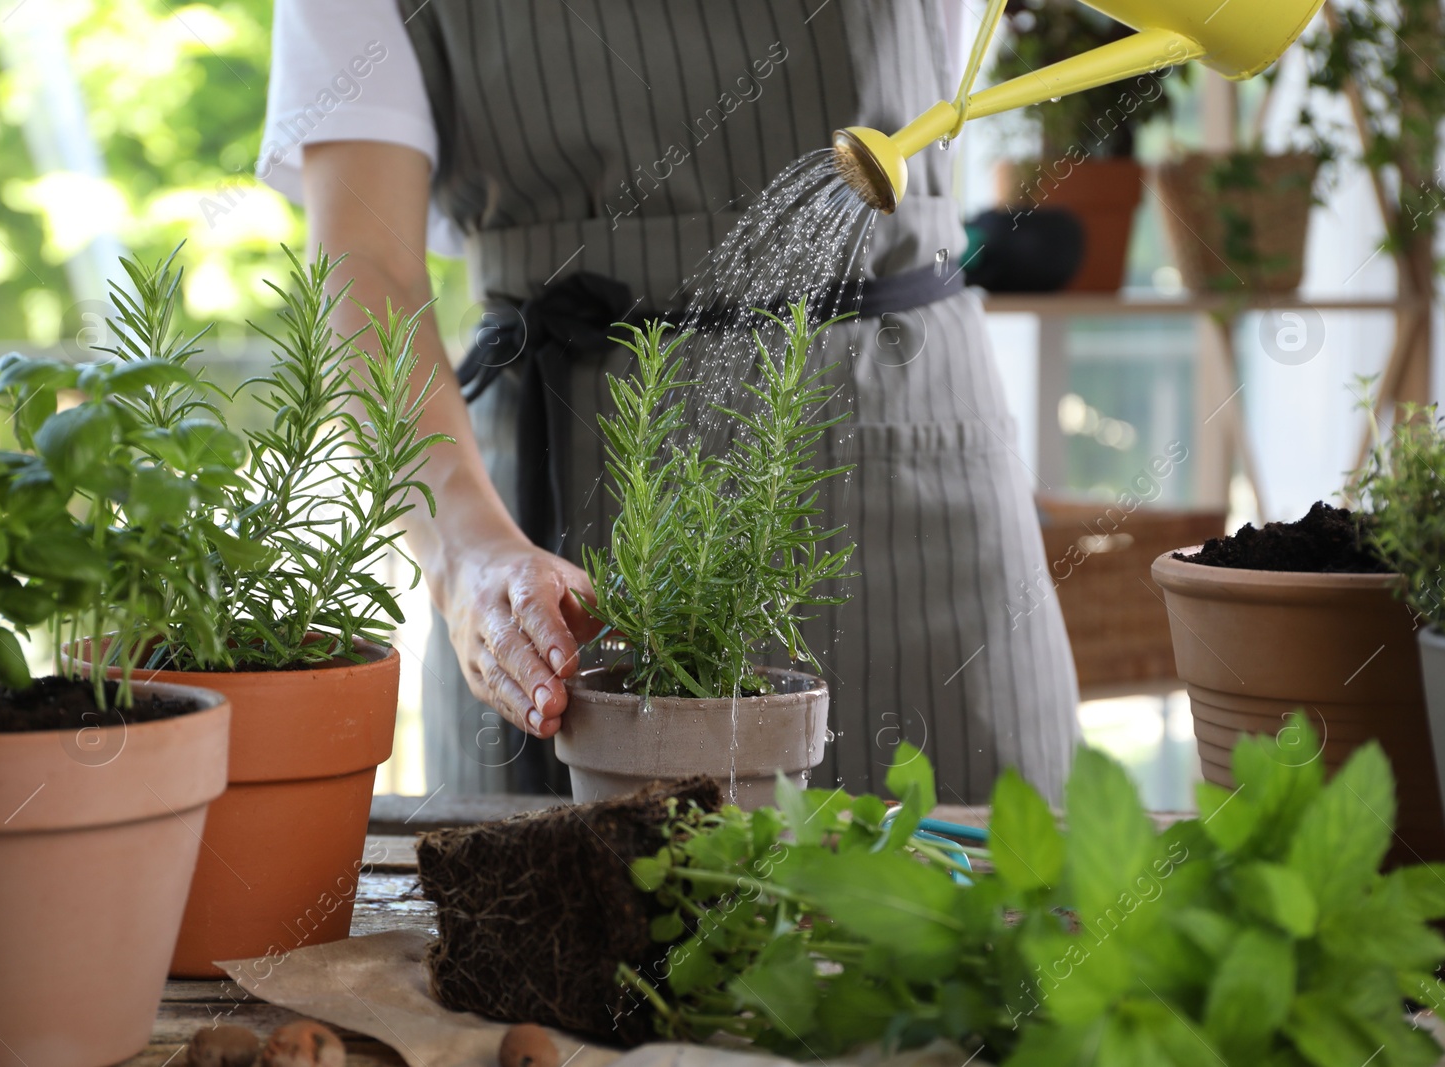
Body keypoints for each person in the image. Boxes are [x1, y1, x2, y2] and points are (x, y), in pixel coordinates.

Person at [260, 0, 1080, 802]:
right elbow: (364, 267)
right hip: (551, 530)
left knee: (994, 912)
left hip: (908, 470)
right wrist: (467, 555)